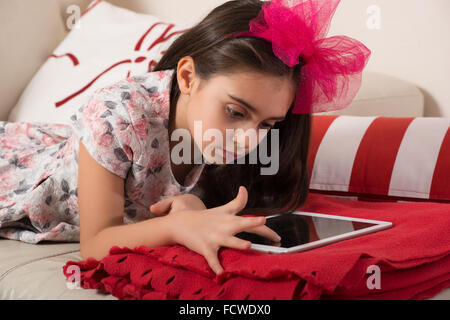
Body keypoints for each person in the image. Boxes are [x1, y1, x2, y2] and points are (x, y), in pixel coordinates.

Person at [0, 0, 370, 275]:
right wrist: (177, 225)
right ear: (188, 77)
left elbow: (167, 190)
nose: (247, 141)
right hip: (20, 173)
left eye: (266, 124)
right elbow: (95, 243)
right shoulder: (118, 116)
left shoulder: (216, 135)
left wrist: (189, 206)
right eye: (235, 112)